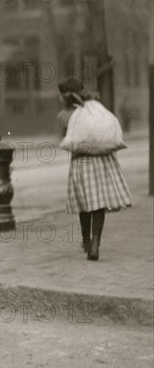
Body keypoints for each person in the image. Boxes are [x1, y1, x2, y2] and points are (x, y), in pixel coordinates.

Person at [57, 78, 132, 261]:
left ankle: (86, 240)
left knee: (85, 203)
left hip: (81, 164)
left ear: (65, 97)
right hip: (102, 162)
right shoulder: (96, 108)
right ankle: (96, 242)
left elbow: (67, 140)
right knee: (98, 204)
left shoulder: (64, 116)